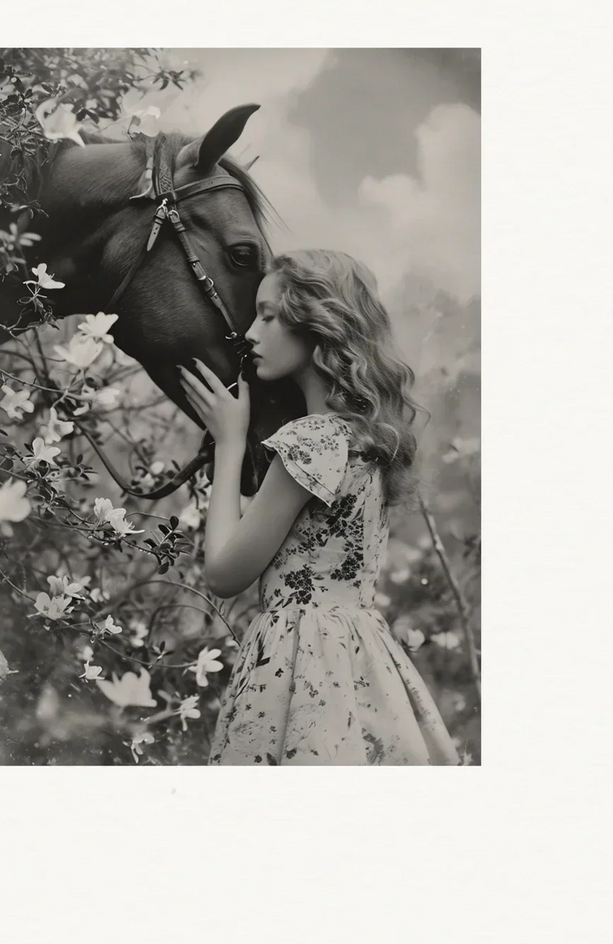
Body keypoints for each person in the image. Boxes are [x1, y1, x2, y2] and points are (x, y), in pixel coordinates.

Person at [177, 248, 461, 766]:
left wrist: (229, 441)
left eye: (267, 315)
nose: (251, 334)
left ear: (317, 324)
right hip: (361, 659)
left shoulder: (309, 443)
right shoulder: (365, 440)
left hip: (297, 662)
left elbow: (222, 574)